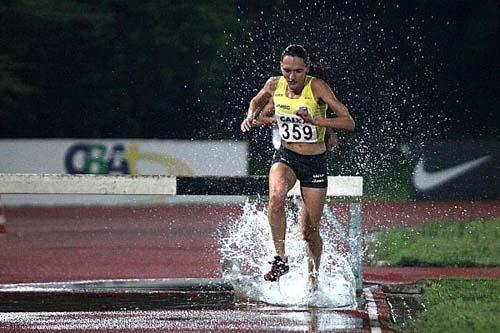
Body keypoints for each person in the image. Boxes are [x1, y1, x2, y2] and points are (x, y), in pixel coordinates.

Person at [240, 44, 355, 288]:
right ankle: (280, 259)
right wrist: (250, 116)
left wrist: (318, 122)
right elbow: (255, 101)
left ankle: (313, 278)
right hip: (287, 156)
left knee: (308, 232)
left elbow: (349, 122)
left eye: (298, 71)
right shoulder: (274, 84)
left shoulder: (317, 87)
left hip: (314, 162)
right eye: (287, 70)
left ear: (307, 70)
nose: (291, 77)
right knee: (276, 198)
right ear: (281, 68)